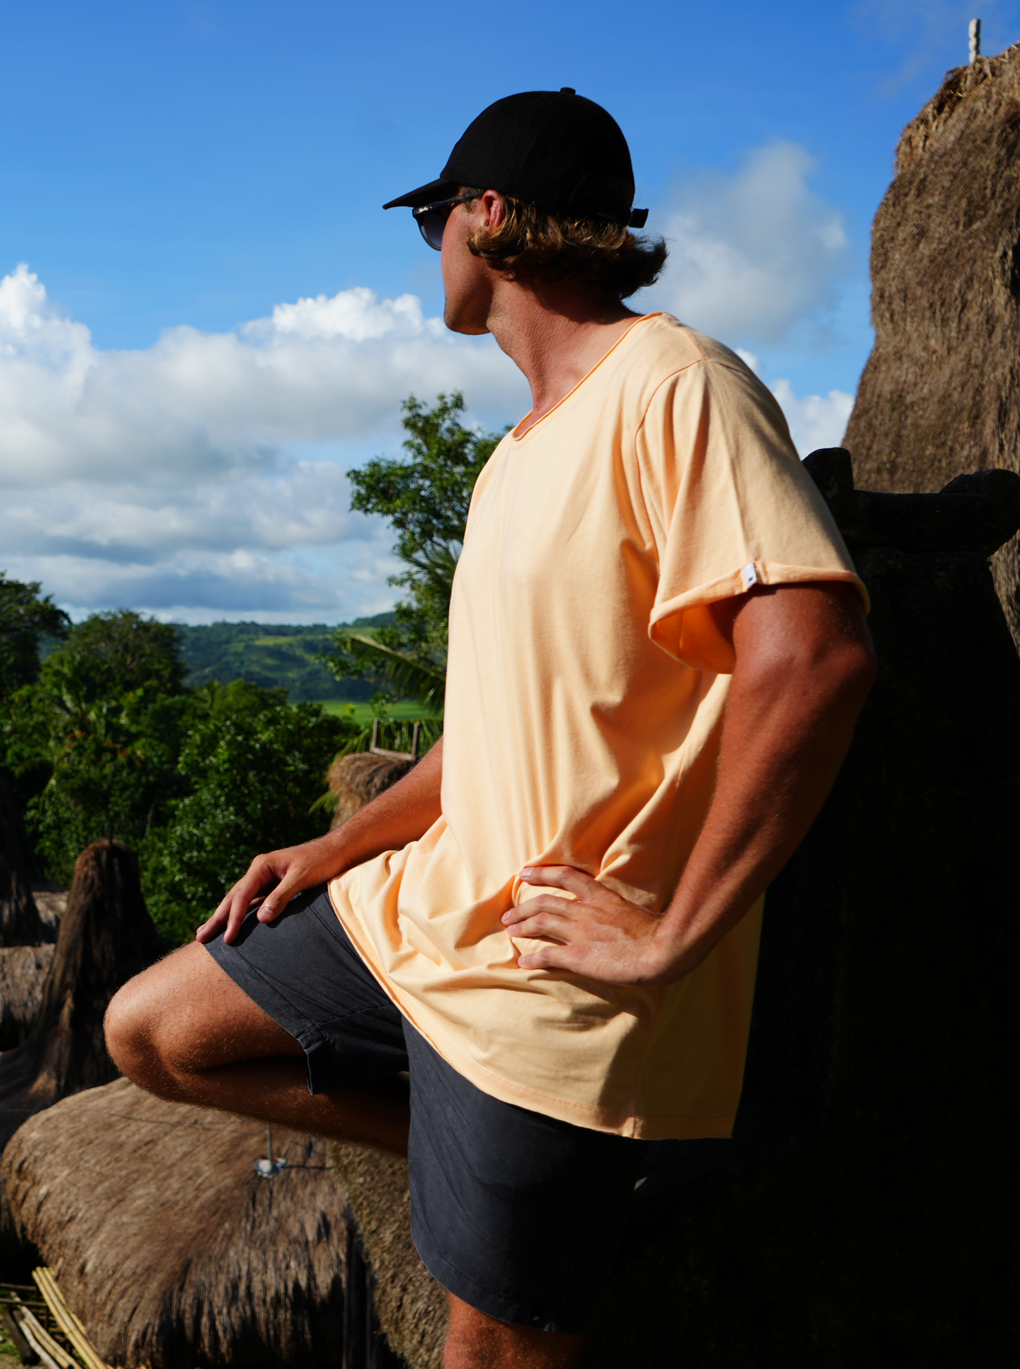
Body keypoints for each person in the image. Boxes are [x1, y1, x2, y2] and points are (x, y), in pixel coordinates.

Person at [106, 90, 876, 1369]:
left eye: (434, 223)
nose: (433, 255)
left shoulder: (674, 385)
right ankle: (513, 1162)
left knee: (488, 1352)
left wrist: (672, 932)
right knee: (151, 1028)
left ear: (491, 216)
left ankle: (538, 1164)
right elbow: (492, 728)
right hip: (421, 911)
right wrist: (336, 845)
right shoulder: (516, 452)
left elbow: (815, 657)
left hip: (545, 976)